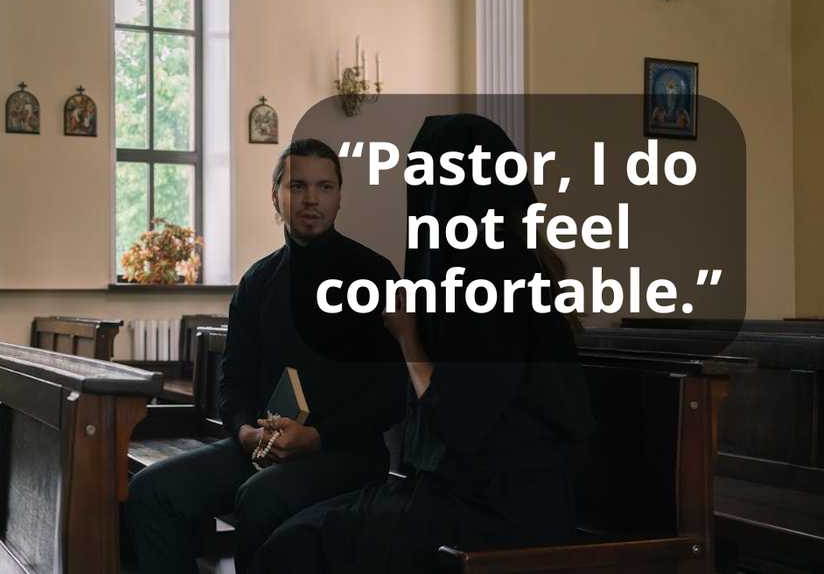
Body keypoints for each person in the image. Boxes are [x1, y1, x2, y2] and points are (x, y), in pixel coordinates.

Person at [254, 114, 595, 574]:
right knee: (296, 534)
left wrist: (407, 334)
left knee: (296, 547)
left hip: (502, 510)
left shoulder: (499, 278)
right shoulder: (486, 267)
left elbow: (458, 419)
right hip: (458, 490)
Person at [125, 138, 405, 574]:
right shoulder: (257, 281)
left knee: (260, 497)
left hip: (345, 454)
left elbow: (390, 392)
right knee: (150, 491)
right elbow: (233, 382)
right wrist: (244, 434)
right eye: (297, 186)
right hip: (262, 448)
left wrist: (317, 437)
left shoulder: (373, 274)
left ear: (340, 196)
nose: (311, 199)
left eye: (324, 187)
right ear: (275, 195)